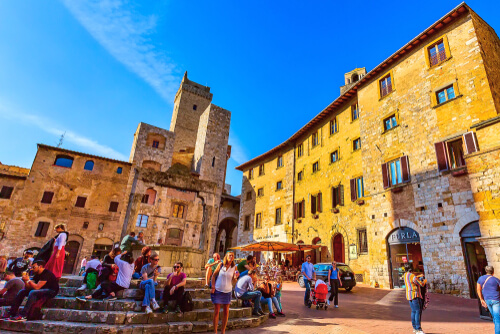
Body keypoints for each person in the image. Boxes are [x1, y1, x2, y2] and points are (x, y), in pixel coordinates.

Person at [211, 251, 239, 334]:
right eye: (230, 255)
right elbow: (213, 276)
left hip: (228, 291)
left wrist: (235, 278)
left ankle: (223, 331)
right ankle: (215, 332)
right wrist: (213, 286)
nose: (231, 257)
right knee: (216, 311)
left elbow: (233, 281)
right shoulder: (221, 265)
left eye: (232, 256)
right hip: (218, 289)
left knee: (226, 312)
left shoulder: (234, 267)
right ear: (226, 257)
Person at [404, 264, 427, 334]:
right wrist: (425, 281)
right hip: (415, 295)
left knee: (413, 311)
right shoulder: (412, 276)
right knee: (418, 311)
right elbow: (421, 284)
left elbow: (413, 279)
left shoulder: (405, 275)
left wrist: (418, 276)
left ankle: (414, 328)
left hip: (409, 295)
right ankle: (418, 329)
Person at [477, 266, 500, 334]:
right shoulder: (496, 279)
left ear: (486, 271)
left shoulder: (480, 279)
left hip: (487, 299)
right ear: (493, 272)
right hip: (496, 299)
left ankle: (497, 329)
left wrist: (481, 299)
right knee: (497, 318)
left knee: (495, 317)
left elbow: (478, 289)